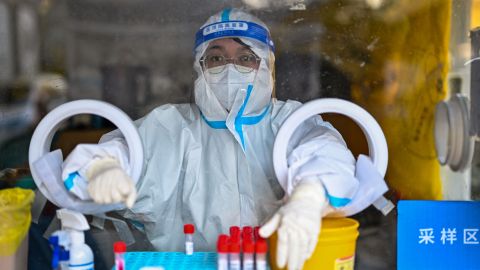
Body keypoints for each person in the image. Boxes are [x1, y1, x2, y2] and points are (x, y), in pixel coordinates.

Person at [61, 8, 360, 270]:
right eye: (215, 58)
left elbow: (325, 151)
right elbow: (122, 150)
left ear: (268, 69)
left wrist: (309, 195)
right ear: (198, 69)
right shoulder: (170, 127)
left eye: (246, 58)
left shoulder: (288, 121)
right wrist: (101, 167)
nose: (230, 68)